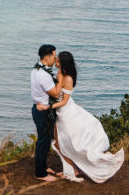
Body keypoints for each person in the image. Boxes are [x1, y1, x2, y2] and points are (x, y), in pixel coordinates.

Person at [48, 51, 124, 183]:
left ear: (63, 63)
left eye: (58, 61)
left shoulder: (68, 78)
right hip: (60, 112)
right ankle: (71, 169)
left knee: (63, 144)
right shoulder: (60, 74)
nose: (55, 61)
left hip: (65, 113)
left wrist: (49, 107)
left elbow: (64, 101)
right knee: (60, 143)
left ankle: (73, 170)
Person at [30, 44, 62, 182]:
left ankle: (43, 166)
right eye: (54, 56)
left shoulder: (36, 69)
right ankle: (40, 174)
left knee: (45, 140)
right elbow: (55, 92)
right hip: (42, 112)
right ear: (47, 57)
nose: (55, 60)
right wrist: (61, 78)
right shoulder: (44, 75)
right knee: (43, 141)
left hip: (40, 108)